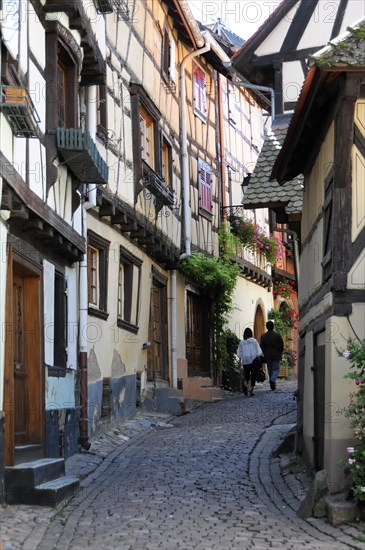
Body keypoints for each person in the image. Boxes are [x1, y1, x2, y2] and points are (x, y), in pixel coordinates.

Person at [237, 327, 263, 396]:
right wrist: (259, 358)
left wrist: (239, 361)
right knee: (253, 376)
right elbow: (258, 351)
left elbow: (240, 353)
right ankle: (251, 391)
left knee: (247, 375)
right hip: (253, 360)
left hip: (246, 361)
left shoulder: (242, 342)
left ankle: (245, 384)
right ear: (251, 333)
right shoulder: (254, 341)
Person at [260, 320, 284, 391]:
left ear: (267, 327)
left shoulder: (263, 336)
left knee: (270, 369)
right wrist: (280, 352)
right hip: (276, 354)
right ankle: (273, 380)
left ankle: (272, 383)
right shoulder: (277, 335)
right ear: (273, 327)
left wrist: (264, 353)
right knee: (276, 368)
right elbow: (281, 345)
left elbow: (261, 346)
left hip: (267, 355)